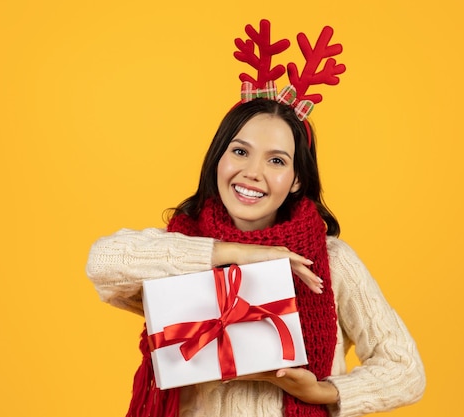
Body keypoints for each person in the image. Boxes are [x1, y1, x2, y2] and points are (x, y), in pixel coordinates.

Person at [86, 20, 425, 417]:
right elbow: (103, 263)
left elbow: (405, 370)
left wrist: (323, 392)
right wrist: (235, 254)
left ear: (297, 179)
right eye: (240, 151)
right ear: (219, 157)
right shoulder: (182, 251)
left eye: (276, 160)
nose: (253, 172)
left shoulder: (331, 262)